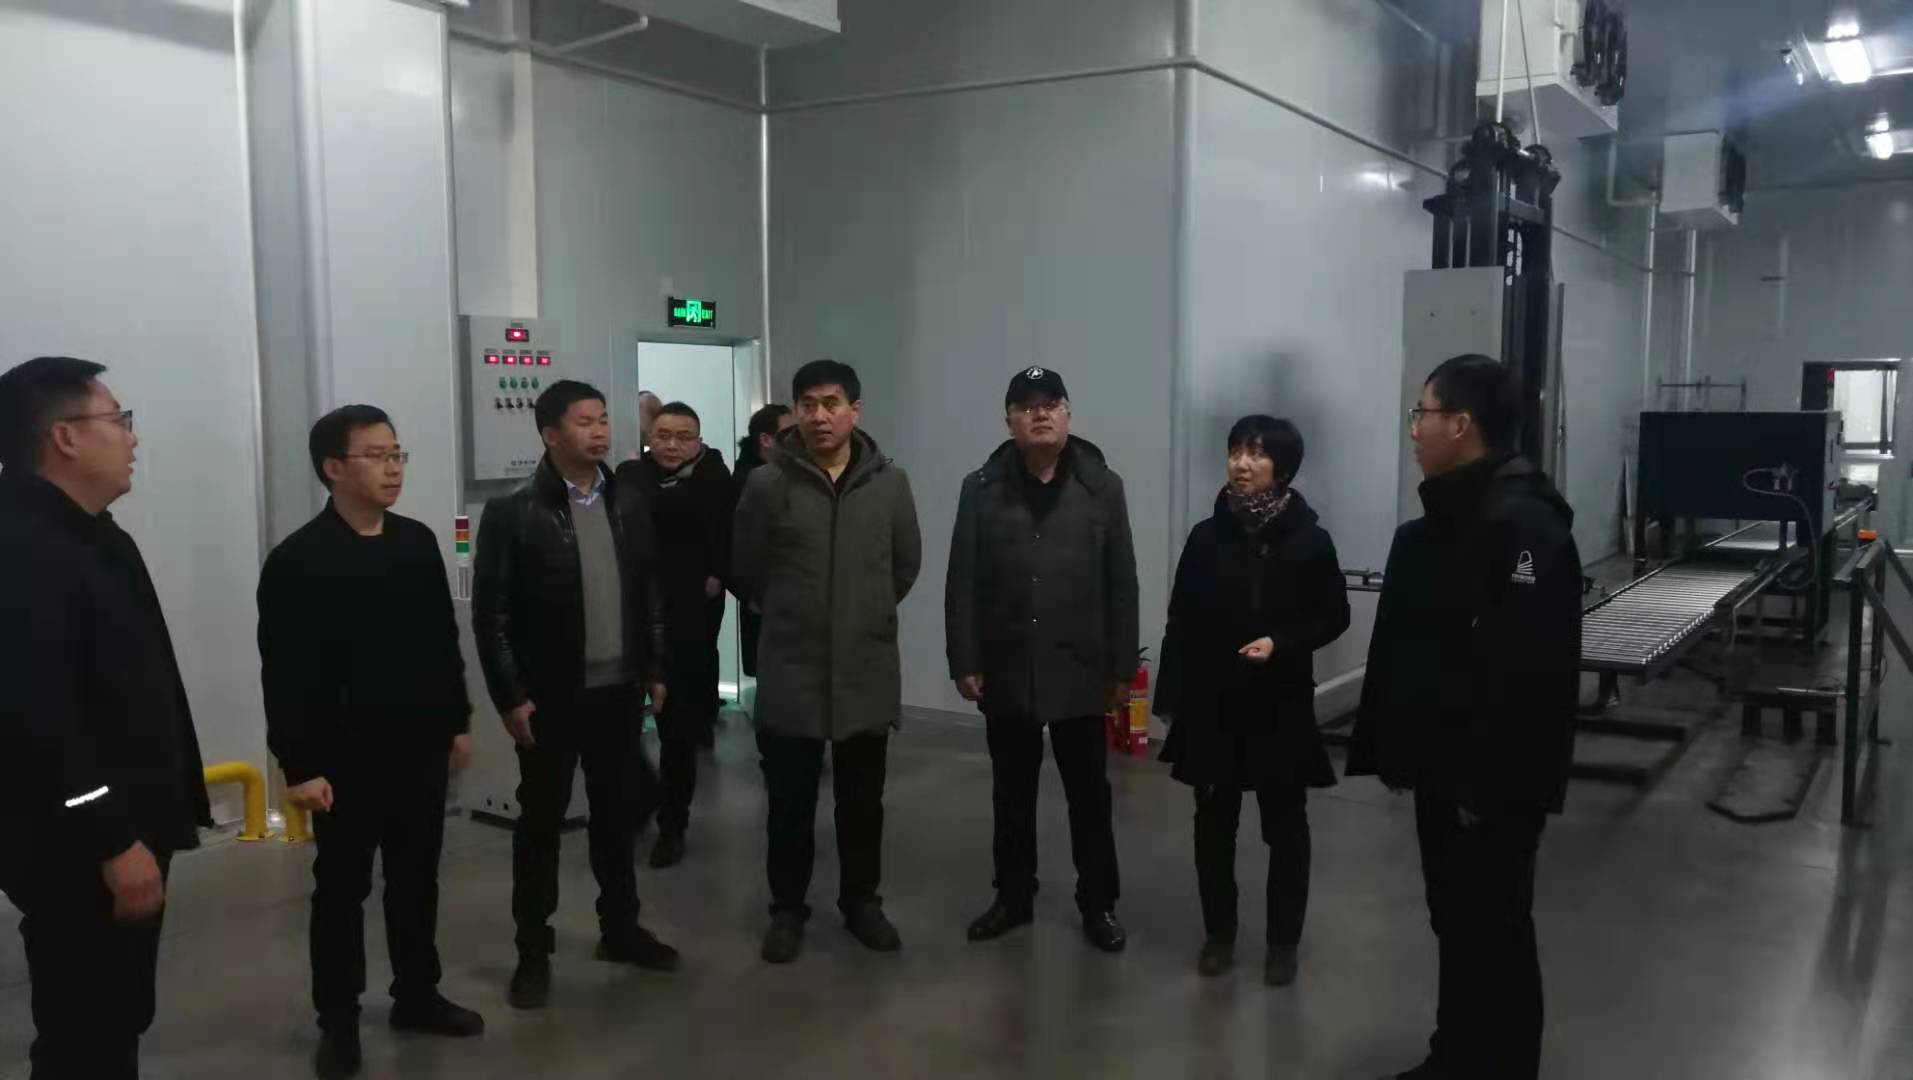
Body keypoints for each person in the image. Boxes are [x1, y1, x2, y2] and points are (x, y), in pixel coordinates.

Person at [1348, 355, 1581, 1080]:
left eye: (1422, 413)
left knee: (1496, 930)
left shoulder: (1524, 523)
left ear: (1460, 424)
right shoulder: (1450, 519)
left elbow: (1531, 674)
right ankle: (1454, 1056)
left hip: (1491, 784)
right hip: (1445, 772)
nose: (1413, 429)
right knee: (1455, 921)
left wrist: (1490, 783)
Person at [0, 356, 212, 1079]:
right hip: (79, 849)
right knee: (83, 1031)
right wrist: (113, 838)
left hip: (123, 830)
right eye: (118, 420)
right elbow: (36, 719)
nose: (132, 437)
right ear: (64, 437)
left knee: (115, 1016)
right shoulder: (22, 549)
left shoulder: (95, 537)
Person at [257, 406, 485, 1078]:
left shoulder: (415, 542)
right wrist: (299, 765)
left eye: (397, 454)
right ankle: (339, 1021)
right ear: (334, 467)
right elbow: (287, 675)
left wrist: (457, 720)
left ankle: (417, 994)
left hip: (420, 747)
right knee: (341, 891)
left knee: (416, 880)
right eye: (377, 456)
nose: (393, 468)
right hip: (345, 759)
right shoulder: (298, 560)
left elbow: (442, 642)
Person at [473, 379, 678, 1011]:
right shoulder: (513, 512)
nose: (599, 431)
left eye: (604, 419)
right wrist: (510, 697)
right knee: (541, 825)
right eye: (584, 421)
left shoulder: (627, 502)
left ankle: (622, 930)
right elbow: (493, 616)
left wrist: (655, 666)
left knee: (616, 820)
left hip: (619, 692)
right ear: (550, 434)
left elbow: (649, 593)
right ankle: (533, 951)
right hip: (552, 698)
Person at [733, 360, 922, 964]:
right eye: (808, 404)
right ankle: (787, 910)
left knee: (862, 803)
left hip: (865, 669)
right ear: (796, 412)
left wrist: (860, 611)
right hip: (792, 668)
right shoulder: (767, 484)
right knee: (789, 804)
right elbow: (747, 568)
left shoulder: (889, 484)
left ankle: (861, 902)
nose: (819, 416)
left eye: (832, 403)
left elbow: (904, 566)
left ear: (855, 411)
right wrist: (794, 612)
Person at [944, 367, 1137, 954]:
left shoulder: (1103, 487)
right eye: (1027, 406)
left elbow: (1122, 584)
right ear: (1009, 421)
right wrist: (964, 659)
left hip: (1081, 670)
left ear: (1068, 414)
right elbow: (962, 580)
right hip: (1007, 666)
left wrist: (1120, 671)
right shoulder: (981, 488)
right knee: (1011, 794)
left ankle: (1098, 903)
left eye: (1051, 403)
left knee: (1089, 796)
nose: (1041, 414)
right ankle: (1013, 897)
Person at [1154, 416, 1349, 987]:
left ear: (1282, 469)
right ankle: (1219, 935)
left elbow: (1333, 616)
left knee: (1285, 828)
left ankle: (1283, 943)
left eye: (1257, 454)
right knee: (1213, 826)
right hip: (1213, 703)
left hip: (1278, 704)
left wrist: (1281, 643)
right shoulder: (1205, 536)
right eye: (1236, 451)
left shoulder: (1310, 539)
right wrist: (1172, 696)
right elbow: (1180, 620)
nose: (1242, 463)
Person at [616, 401, 733, 869]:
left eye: (684, 437)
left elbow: (728, 534)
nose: (671, 445)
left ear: (699, 442)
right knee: (618, 726)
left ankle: (673, 824)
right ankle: (639, 800)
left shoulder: (716, 478)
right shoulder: (629, 475)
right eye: (663, 435)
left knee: (678, 733)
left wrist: (718, 572)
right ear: (649, 437)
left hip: (687, 621)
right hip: (631, 616)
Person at [732, 404, 795, 682]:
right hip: (763, 602)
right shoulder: (749, 482)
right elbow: (742, 551)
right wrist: (755, 598)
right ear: (766, 439)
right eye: (789, 432)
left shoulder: (793, 476)